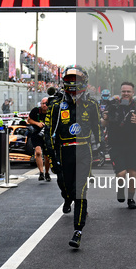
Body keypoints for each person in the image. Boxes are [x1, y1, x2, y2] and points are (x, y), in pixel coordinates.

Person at [45, 66, 102, 248]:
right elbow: (48, 132)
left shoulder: (92, 105)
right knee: (65, 186)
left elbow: (97, 128)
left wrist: (100, 148)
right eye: (69, 78)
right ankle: (66, 197)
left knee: (80, 190)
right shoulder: (55, 105)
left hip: (84, 150)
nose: (73, 82)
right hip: (64, 151)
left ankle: (78, 230)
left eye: (76, 79)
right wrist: (52, 156)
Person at [102, 81, 136, 209]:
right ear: (120, 92)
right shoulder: (112, 105)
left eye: (128, 91)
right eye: (124, 91)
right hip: (115, 144)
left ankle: (131, 199)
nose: (126, 93)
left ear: (133, 93)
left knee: (132, 174)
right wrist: (105, 117)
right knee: (121, 174)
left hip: (132, 144)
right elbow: (103, 124)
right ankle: (120, 189)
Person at [27, 97, 51, 181]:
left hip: (47, 135)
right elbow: (29, 120)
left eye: (46, 103)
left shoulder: (52, 111)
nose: (44, 105)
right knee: (38, 152)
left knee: (47, 156)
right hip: (36, 134)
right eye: (42, 103)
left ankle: (47, 172)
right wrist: (37, 123)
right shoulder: (35, 111)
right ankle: (41, 172)